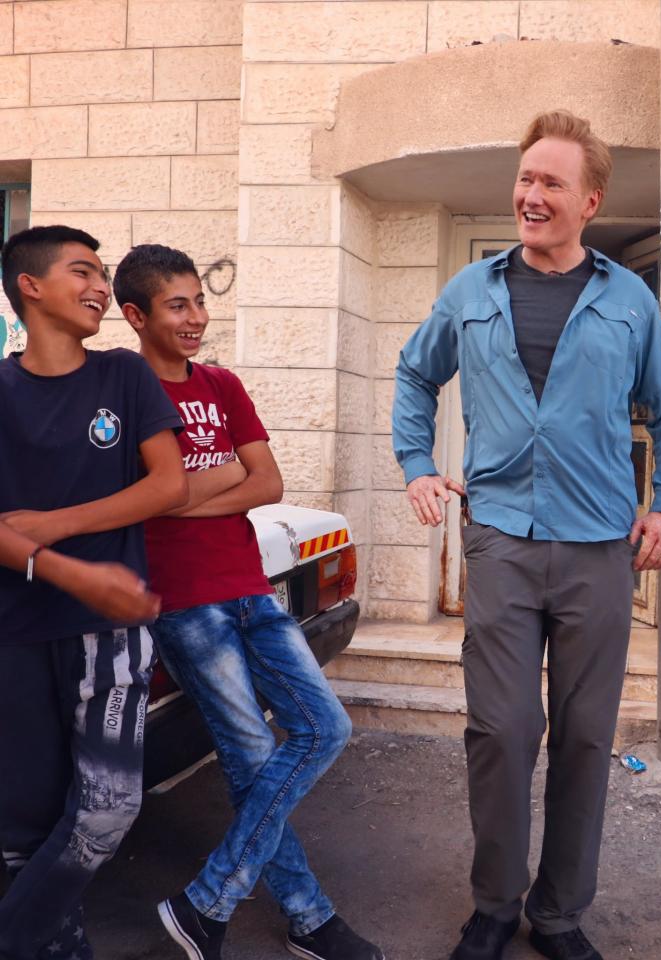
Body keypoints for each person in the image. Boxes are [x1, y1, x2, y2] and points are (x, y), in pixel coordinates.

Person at [392, 110, 661, 960]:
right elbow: (416, 376)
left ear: (588, 200)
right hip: (500, 542)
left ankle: (559, 915)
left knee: (587, 735)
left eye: (550, 183)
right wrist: (418, 464)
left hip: (601, 546)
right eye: (525, 179)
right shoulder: (472, 290)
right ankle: (495, 904)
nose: (530, 194)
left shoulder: (627, 299)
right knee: (500, 729)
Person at [115, 244, 383, 960]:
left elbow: (265, 482)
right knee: (248, 754)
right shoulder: (122, 393)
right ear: (135, 315)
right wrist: (199, 482)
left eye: (200, 300)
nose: (198, 317)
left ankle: (208, 903)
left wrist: (174, 494)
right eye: (179, 305)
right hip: (183, 604)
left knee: (323, 728)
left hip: (248, 588)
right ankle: (310, 920)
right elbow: (138, 500)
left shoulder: (220, 384)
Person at [0, 225, 188, 960]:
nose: (102, 286)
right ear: (30, 286)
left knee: (107, 810)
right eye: (84, 271)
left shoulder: (122, 376)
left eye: (103, 274)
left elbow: (167, 483)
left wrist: (50, 526)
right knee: (25, 824)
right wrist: (73, 569)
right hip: (16, 630)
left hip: (107, 634)